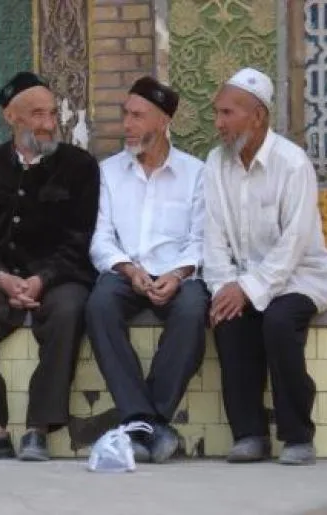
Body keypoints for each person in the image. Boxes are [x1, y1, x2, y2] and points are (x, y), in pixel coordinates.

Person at [0, 71, 100, 461]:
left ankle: (38, 429)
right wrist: (1, 278)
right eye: (37, 114)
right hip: (0, 278)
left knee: (69, 311)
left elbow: (79, 240)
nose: (49, 124)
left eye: (52, 113)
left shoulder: (79, 166)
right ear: (11, 117)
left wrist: (40, 279)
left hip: (60, 277)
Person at [203, 68, 327, 465]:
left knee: (278, 322)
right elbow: (212, 233)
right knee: (227, 319)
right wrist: (225, 287)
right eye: (217, 113)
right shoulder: (215, 162)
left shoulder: (292, 163)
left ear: (257, 116)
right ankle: (249, 434)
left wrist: (248, 288)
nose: (218, 123)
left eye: (227, 113)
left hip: (298, 277)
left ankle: (298, 436)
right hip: (242, 277)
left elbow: (294, 242)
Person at [86, 76, 209, 464]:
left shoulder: (196, 173)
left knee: (192, 309)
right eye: (126, 114)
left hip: (178, 274)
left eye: (137, 116)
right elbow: (100, 237)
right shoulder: (108, 172)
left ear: (163, 121)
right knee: (99, 306)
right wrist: (127, 269)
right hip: (126, 273)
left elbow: (202, 238)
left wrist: (177, 274)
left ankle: (143, 423)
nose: (127, 124)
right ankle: (147, 421)